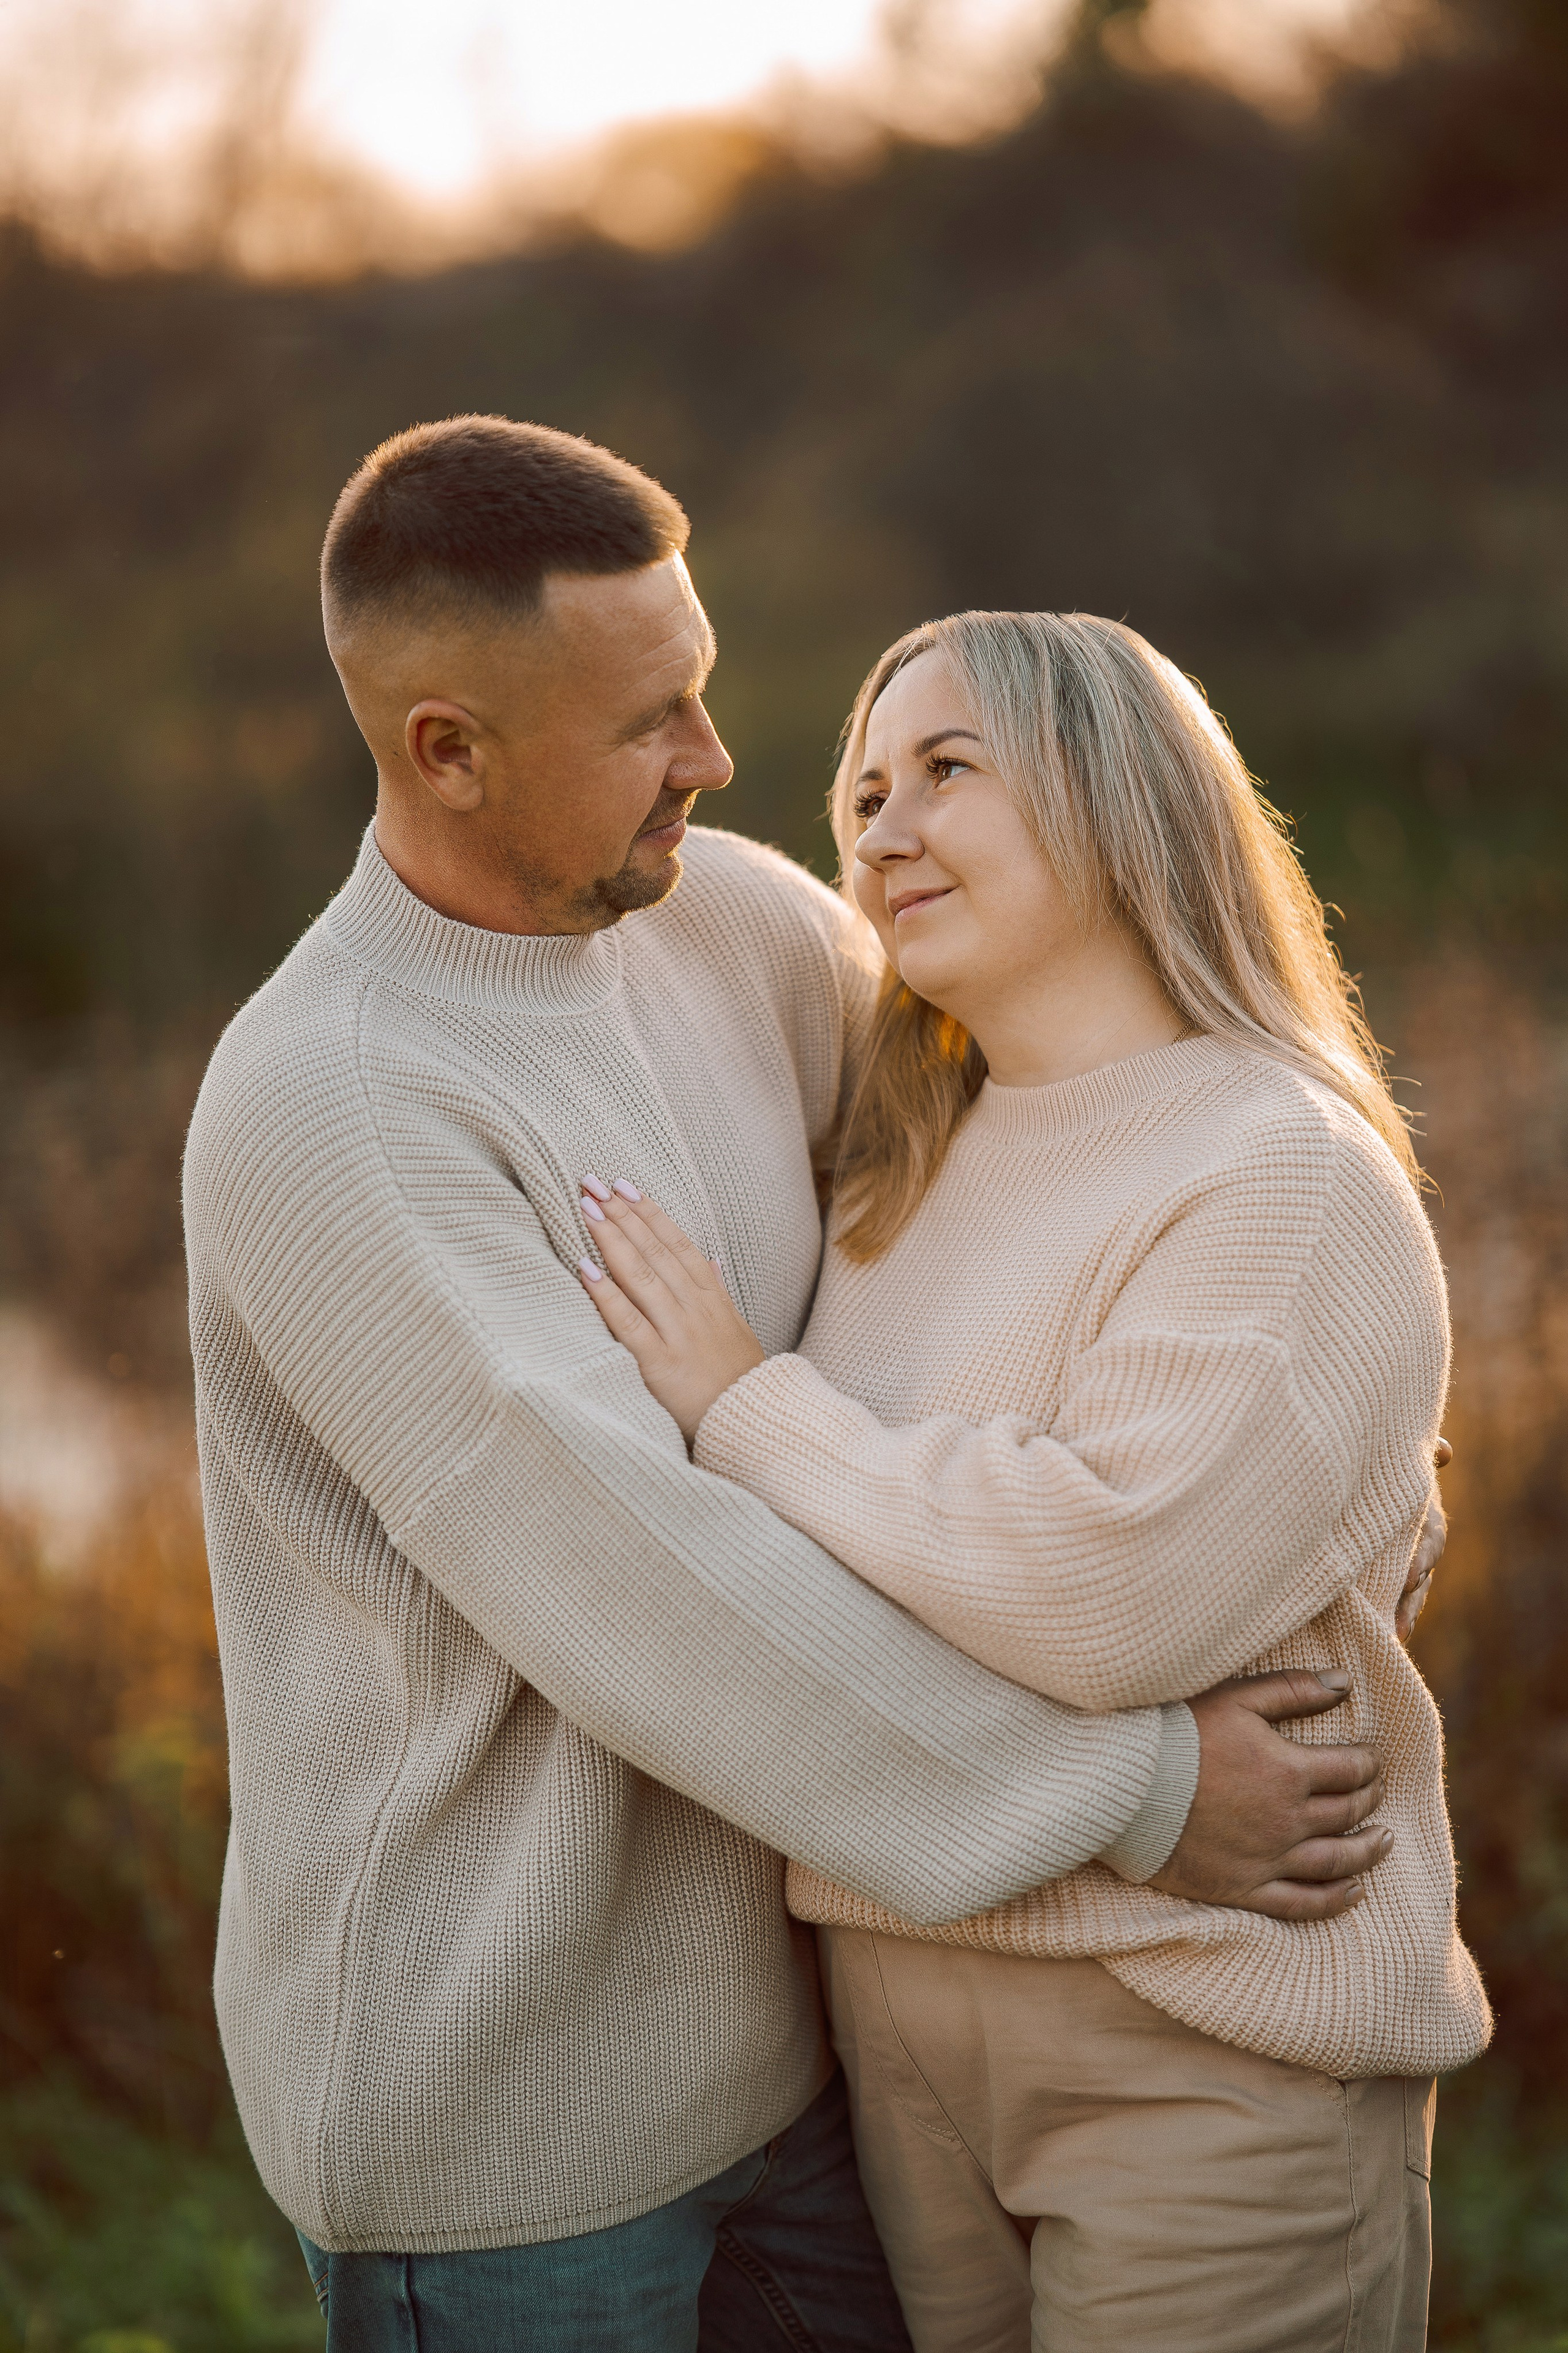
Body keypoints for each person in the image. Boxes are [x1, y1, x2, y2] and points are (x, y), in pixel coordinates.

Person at [184, 420, 1427, 2353]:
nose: (719, 759)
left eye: (703, 685)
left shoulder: (744, 926)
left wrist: (1322, 1446)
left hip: (812, 2045)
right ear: (448, 748)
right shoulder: (335, 1101)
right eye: (648, 721)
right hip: (518, 2133)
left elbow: (1021, 1182)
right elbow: (654, 1590)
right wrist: (1142, 1787)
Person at [578, 608, 1490, 2352]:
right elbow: (836, 1586)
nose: (879, 827)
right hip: (903, 2021)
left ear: (1119, 787)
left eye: (945, 770)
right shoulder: (898, 1175)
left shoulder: (1278, 1166)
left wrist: (753, 1410)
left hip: (1209, 2034)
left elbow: (1106, 1589)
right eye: (859, 793)